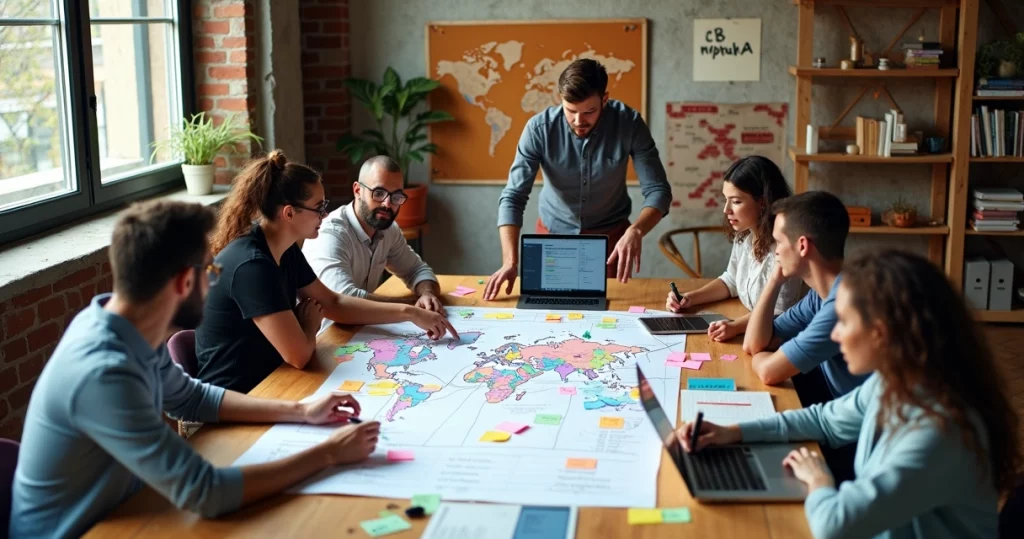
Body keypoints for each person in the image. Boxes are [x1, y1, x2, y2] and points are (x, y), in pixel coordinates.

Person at [10, 200, 383, 539]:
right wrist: (329, 454)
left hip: (128, 510)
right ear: (184, 282)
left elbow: (190, 397)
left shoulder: (126, 325)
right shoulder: (104, 372)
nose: (214, 280)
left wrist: (301, 410)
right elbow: (206, 492)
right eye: (210, 269)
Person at [678, 250, 1022, 539]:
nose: (836, 335)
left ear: (880, 333)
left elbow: (834, 524)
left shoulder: (939, 432)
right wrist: (732, 432)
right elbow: (824, 419)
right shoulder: (896, 381)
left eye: (843, 322)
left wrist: (819, 478)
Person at [196, 151, 457, 394]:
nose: (325, 214)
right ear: (289, 213)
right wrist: (308, 325)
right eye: (319, 208)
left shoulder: (285, 250)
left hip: (272, 380)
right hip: (236, 399)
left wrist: (410, 312)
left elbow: (333, 302)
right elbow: (298, 356)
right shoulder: (252, 265)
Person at [485, 57, 672, 297]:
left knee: (609, 318)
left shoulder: (629, 124)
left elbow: (658, 190)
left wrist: (636, 230)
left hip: (611, 240)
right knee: (547, 314)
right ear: (560, 99)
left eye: (589, 112)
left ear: (605, 99)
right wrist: (510, 261)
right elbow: (513, 196)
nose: (578, 121)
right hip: (552, 237)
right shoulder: (539, 129)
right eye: (570, 111)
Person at [742, 191, 867, 404]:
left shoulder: (842, 306)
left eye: (778, 242)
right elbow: (754, 344)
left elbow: (769, 372)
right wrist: (774, 281)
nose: (776, 252)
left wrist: (764, 359)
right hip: (833, 403)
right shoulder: (819, 296)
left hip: (861, 426)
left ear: (802, 245)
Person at [665, 156, 802, 342]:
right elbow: (731, 281)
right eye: (726, 200)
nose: (726, 209)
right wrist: (689, 298)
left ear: (762, 201)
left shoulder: (785, 249)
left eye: (736, 201)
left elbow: (781, 312)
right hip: (749, 328)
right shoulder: (744, 236)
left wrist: (736, 326)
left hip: (777, 339)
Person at [303, 155, 442, 333]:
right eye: (378, 193)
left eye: (396, 196)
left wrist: (427, 294)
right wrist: (412, 309)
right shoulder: (330, 235)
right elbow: (344, 300)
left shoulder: (388, 230)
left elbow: (417, 270)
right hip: (322, 340)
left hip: (359, 333)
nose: (387, 204)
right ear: (357, 191)